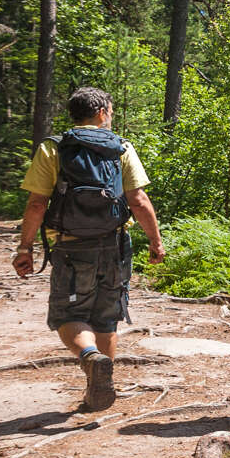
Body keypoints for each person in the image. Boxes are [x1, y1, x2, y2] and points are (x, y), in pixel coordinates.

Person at [13, 87, 166, 411]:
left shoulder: (53, 149)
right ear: (101, 113)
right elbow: (138, 201)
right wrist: (155, 241)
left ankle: (90, 357)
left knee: (68, 314)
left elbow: (38, 203)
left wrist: (25, 248)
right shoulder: (121, 147)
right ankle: (100, 387)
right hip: (114, 246)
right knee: (106, 317)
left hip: (70, 247)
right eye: (109, 111)